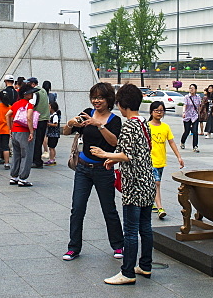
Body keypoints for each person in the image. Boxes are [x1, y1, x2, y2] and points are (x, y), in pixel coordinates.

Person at [92, 84, 156, 285]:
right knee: (145, 227)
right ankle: (145, 266)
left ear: (121, 104)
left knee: (130, 231)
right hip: (147, 182)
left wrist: (105, 155)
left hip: (134, 185)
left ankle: (127, 272)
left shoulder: (129, 124)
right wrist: (114, 159)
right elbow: (137, 152)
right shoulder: (144, 122)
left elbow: (126, 155)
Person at [61, 82, 124, 261]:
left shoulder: (114, 120)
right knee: (77, 208)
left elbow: (114, 143)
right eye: (94, 97)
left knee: (109, 209)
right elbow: (66, 132)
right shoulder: (86, 113)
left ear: (108, 100)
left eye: (100, 98)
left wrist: (99, 125)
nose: (96, 101)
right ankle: (73, 247)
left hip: (103, 170)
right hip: (83, 168)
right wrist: (71, 123)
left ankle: (118, 245)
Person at [147, 100, 184, 219]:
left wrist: (179, 157)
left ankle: (151, 201)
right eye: (156, 110)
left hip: (161, 160)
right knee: (156, 183)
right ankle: (160, 207)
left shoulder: (165, 127)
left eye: (161, 111)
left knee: (154, 183)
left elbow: (171, 142)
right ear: (151, 112)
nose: (159, 113)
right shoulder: (147, 126)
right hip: (149, 160)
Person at [6, 87, 37, 186]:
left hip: (15, 131)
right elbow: (29, 118)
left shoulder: (16, 104)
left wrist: (10, 128)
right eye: (31, 93)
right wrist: (31, 132)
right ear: (26, 94)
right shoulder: (29, 105)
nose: (32, 95)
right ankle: (22, 178)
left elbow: (8, 115)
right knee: (26, 154)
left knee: (16, 154)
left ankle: (13, 176)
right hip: (24, 132)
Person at [180, 84, 202, 153]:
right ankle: (182, 142)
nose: (191, 90)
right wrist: (183, 113)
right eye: (190, 88)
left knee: (195, 131)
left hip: (195, 116)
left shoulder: (198, 97)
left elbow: (199, 106)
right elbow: (185, 105)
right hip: (187, 116)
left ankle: (195, 146)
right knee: (187, 131)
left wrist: (199, 113)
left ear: (196, 89)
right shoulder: (186, 97)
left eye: (193, 88)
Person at [46, 100, 61, 165]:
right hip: (52, 134)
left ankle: (51, 159)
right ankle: (53, 159)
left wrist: (48, 124)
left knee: (51, 147)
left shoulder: (55, 115)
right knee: (52, 147)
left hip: (53, 134)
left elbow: (55, 124)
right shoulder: (52, 115)